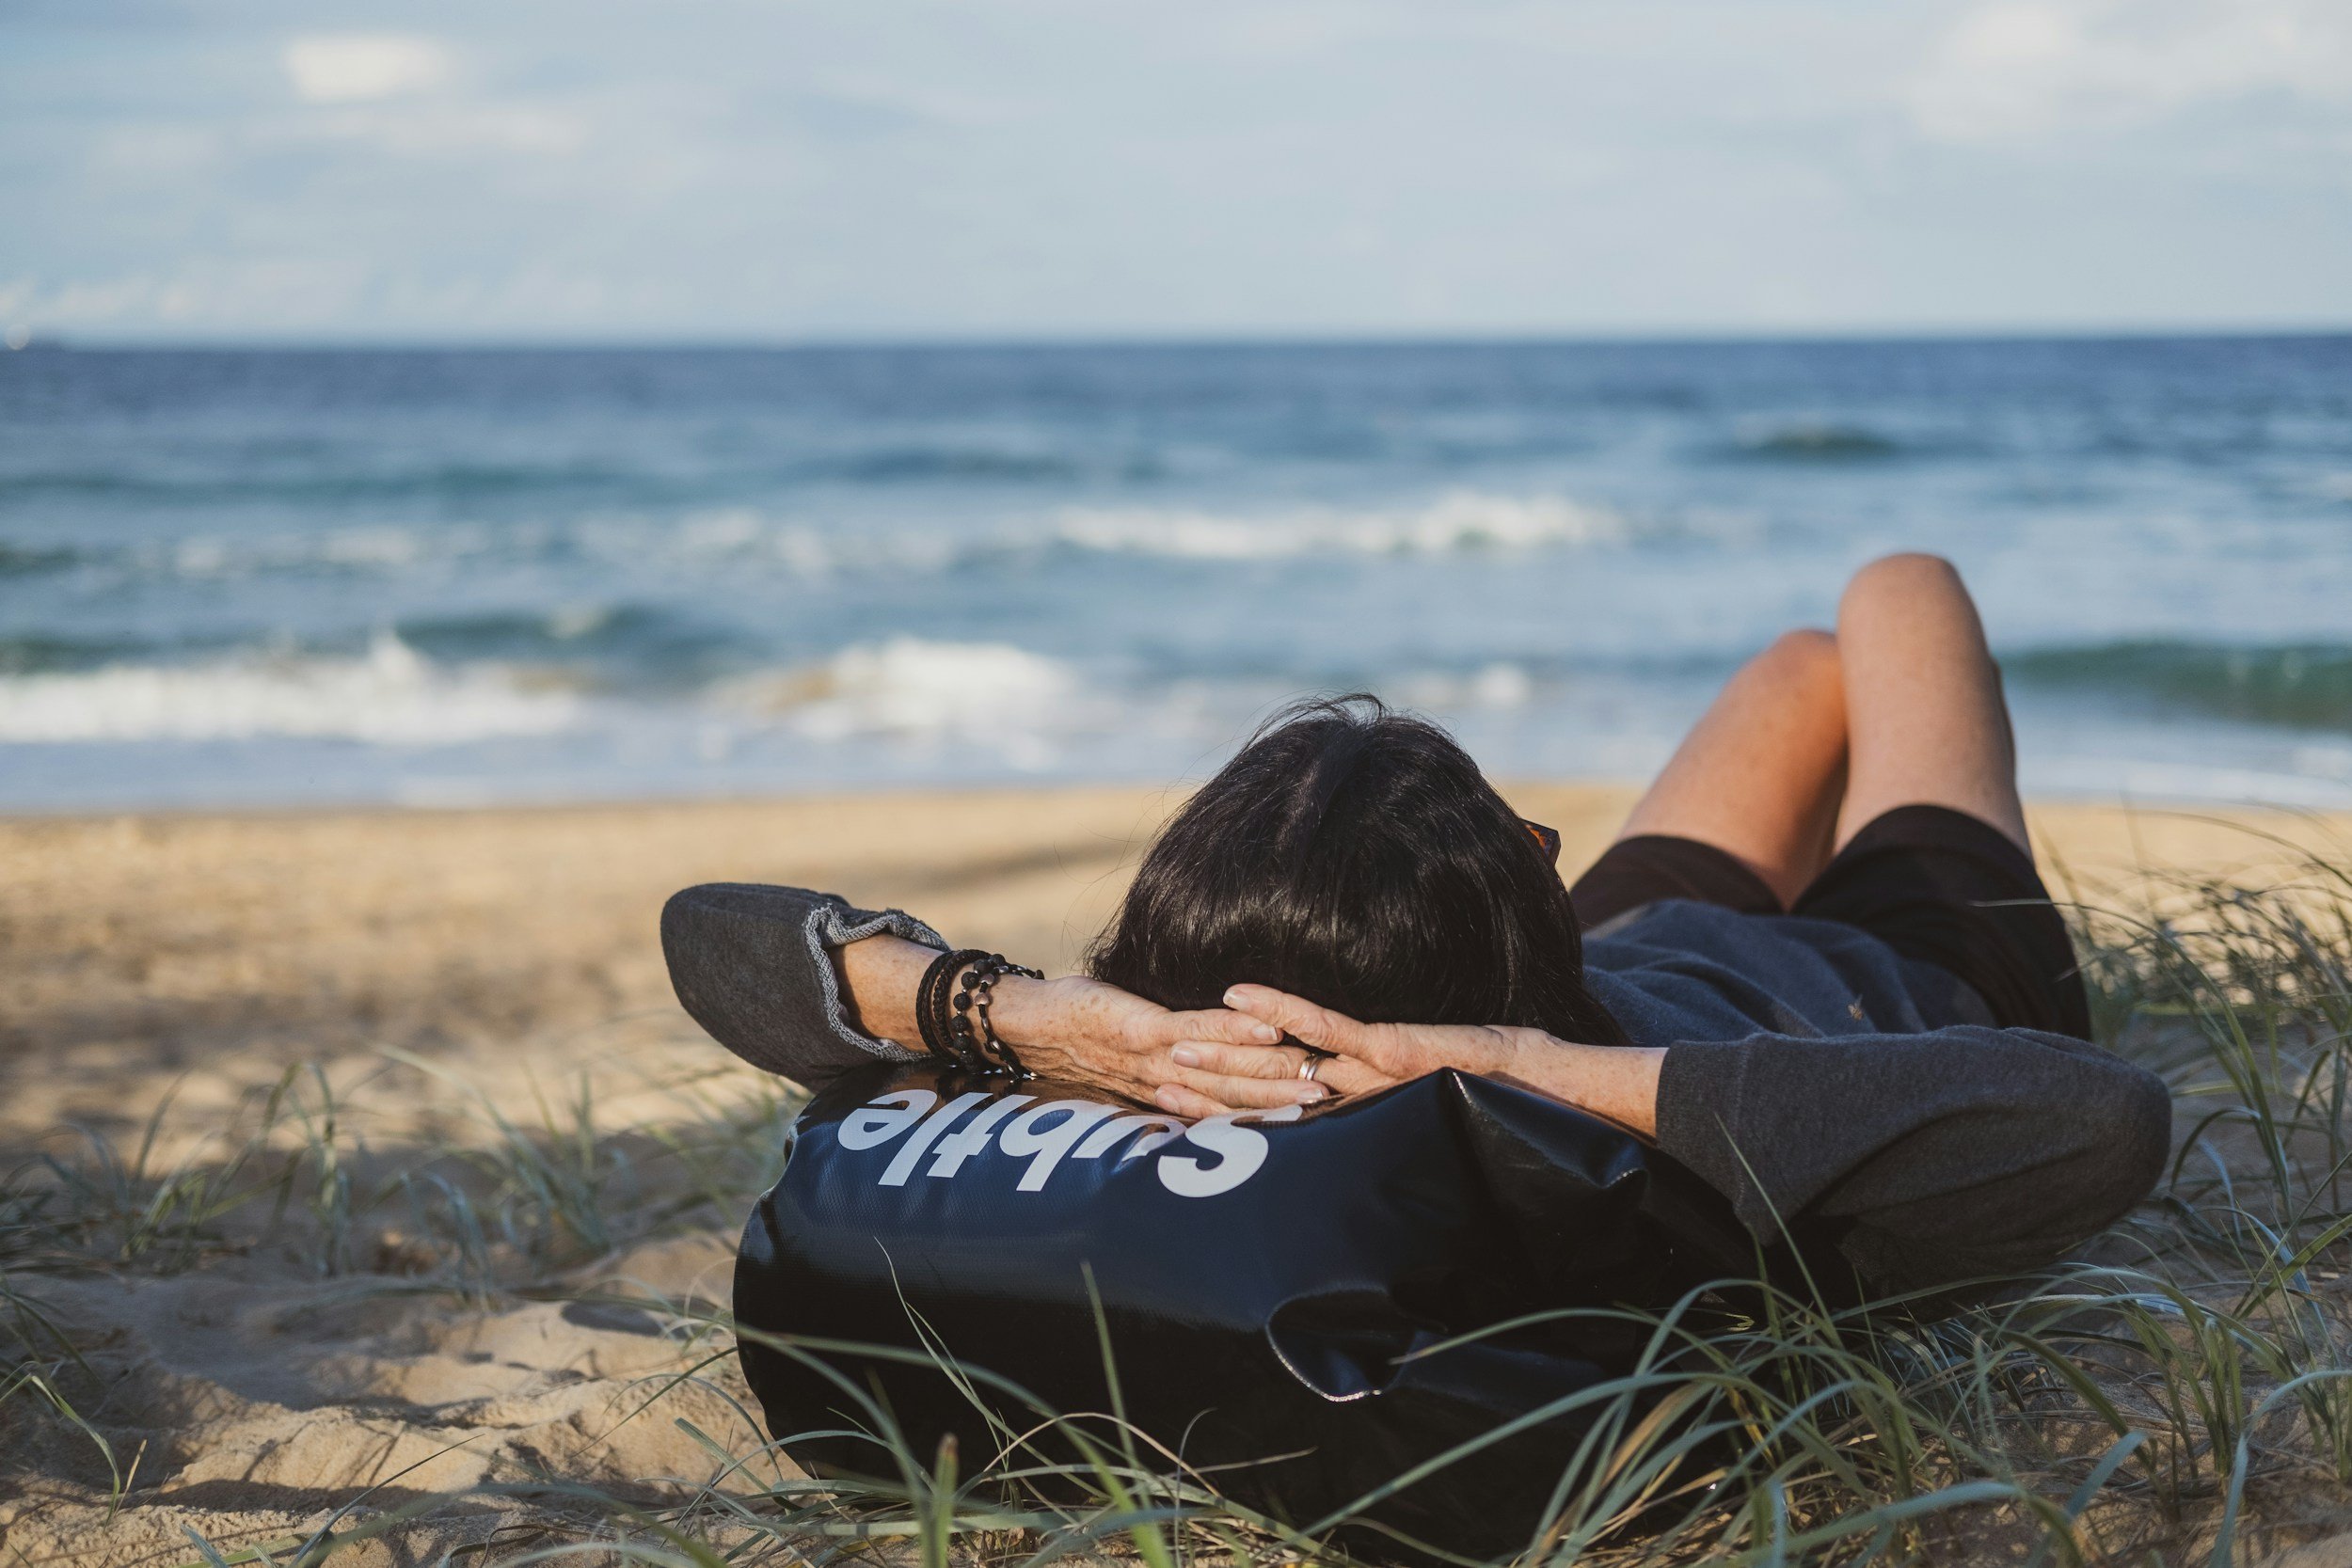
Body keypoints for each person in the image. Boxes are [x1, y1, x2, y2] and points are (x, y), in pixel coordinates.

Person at [664, 554, 2171, 1291]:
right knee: (1895, 593)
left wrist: (1043, 1019)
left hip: (1616, 950)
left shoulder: (1171, 1068)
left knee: (1796, 667)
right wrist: (1528, 1057)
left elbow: (708, 935)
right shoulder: (1601, 1130)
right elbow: (2105, 1121)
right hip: (1886, 964)